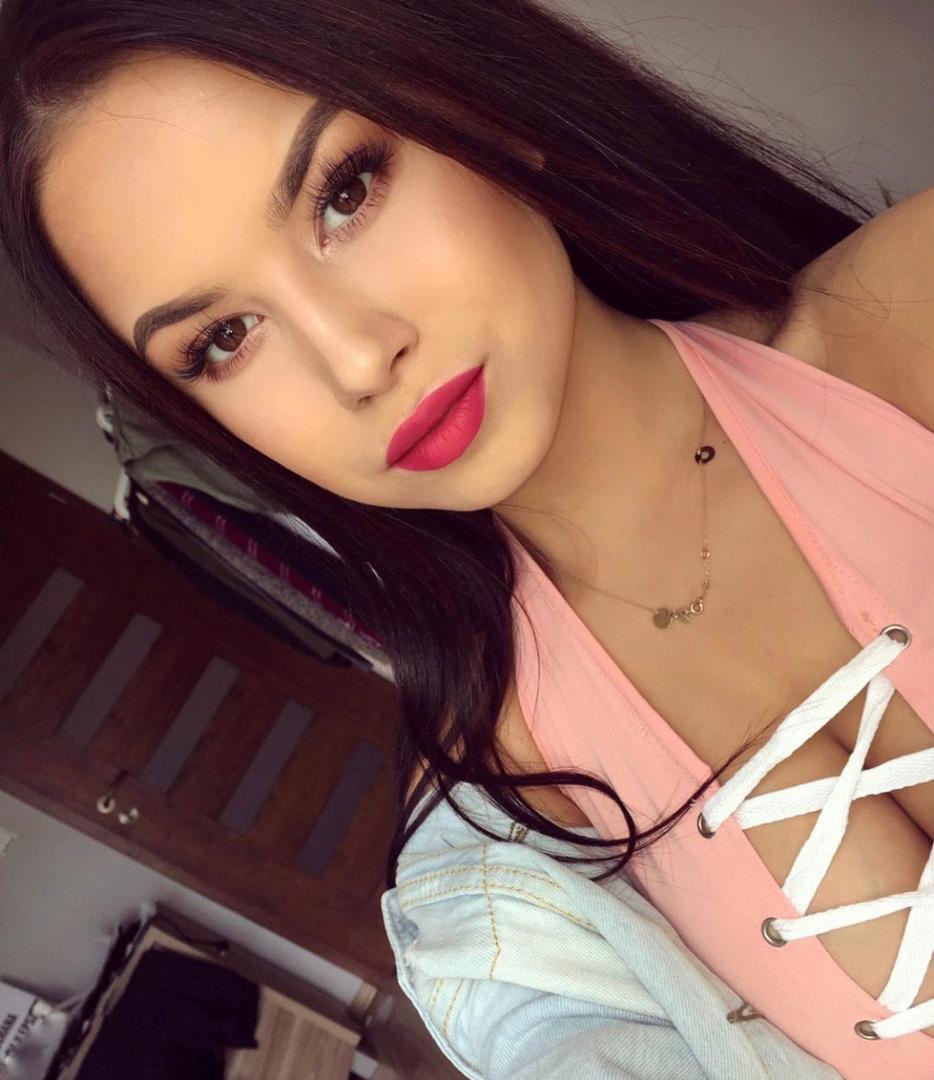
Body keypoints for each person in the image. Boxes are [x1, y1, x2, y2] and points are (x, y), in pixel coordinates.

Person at [0, 2, 931, 1076]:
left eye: (345, 192)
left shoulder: (911, 312)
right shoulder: (510, 820)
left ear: (484, 109)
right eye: (224, 339)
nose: (356, 359)